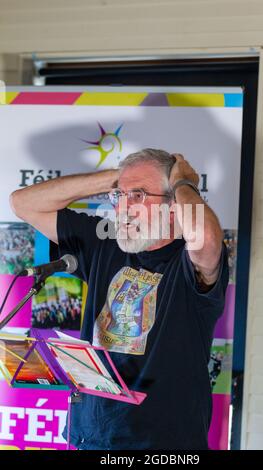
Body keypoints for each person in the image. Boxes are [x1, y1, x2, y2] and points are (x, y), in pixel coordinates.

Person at [10, 148, 229, 450]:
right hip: (91, 437)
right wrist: (115, 179)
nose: (123, 208)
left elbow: (205, 237)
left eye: (138, 196)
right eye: (119, 197)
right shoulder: (105, 243)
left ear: (173, 206)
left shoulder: (187, 260)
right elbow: (22, 203)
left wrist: (184, 183)